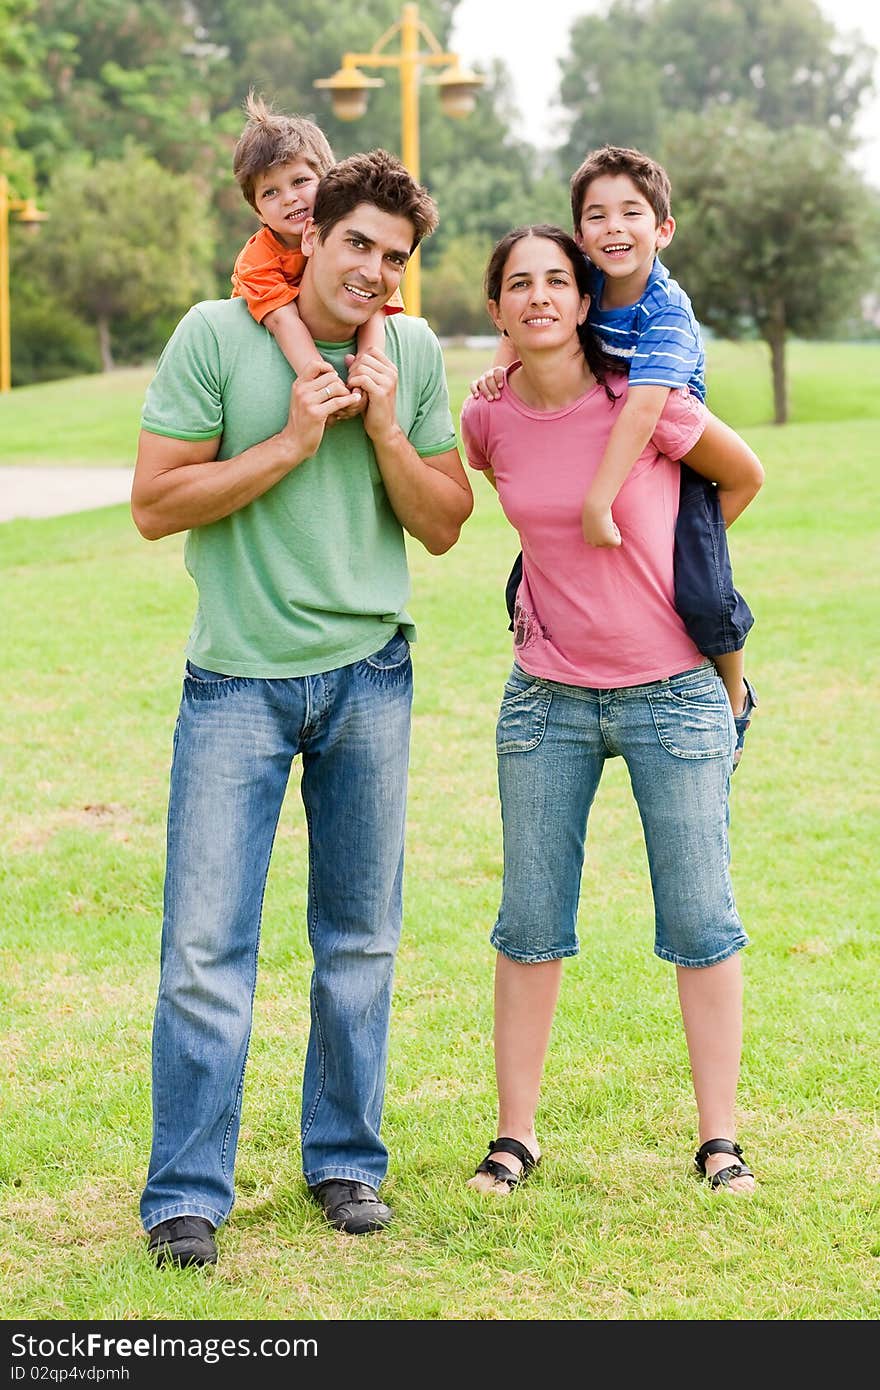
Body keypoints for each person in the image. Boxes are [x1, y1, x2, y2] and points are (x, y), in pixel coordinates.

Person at [131, 148, 474, 1266]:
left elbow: (443, 521)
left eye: (396, 256)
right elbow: (153, 504)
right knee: (203, 949)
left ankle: (345, 1164)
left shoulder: (410, 352)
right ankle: (186, 1190)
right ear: (310, 235)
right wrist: (288, 441)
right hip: (235, 680)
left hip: (370, 677)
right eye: (358, 244)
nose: (374, 270)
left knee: (360, 942)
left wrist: (378, 427)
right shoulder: (215, 336)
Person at [459, 224, 756, 1201]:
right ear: (497, 309)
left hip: (672, 693)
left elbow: (741, 474)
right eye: (518, 284)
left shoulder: (642, 401)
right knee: (529, 920)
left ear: (585, 301)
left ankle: (720, 1142)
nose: (539, 295)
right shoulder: (488, 419)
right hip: (545, 698)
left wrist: (671, 560)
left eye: (557, 279)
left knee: (700, 918)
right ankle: (514, 1138)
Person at [473, 145, 763, 770]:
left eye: (632, 214)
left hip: (675, 454)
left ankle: (734, 699)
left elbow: (643, 409)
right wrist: (503, 372)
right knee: (530, 578)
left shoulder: (668, 314)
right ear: (580, 234)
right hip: (602, 432)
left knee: (705, 590)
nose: (614, 228)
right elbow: (523, 311)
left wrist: (614, 509)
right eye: (597, 216)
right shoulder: (587, 281)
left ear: (663, 230)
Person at [230, 91, 404, 406]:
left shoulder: (360, 246)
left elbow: (375, 311)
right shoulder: (257, 260)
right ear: (257, 211)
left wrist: (367, 375)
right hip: (272, 355)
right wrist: (323, 385)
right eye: (270, 192)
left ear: (327, 181)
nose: (288, 198)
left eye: (300, 182)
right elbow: (284, 322)